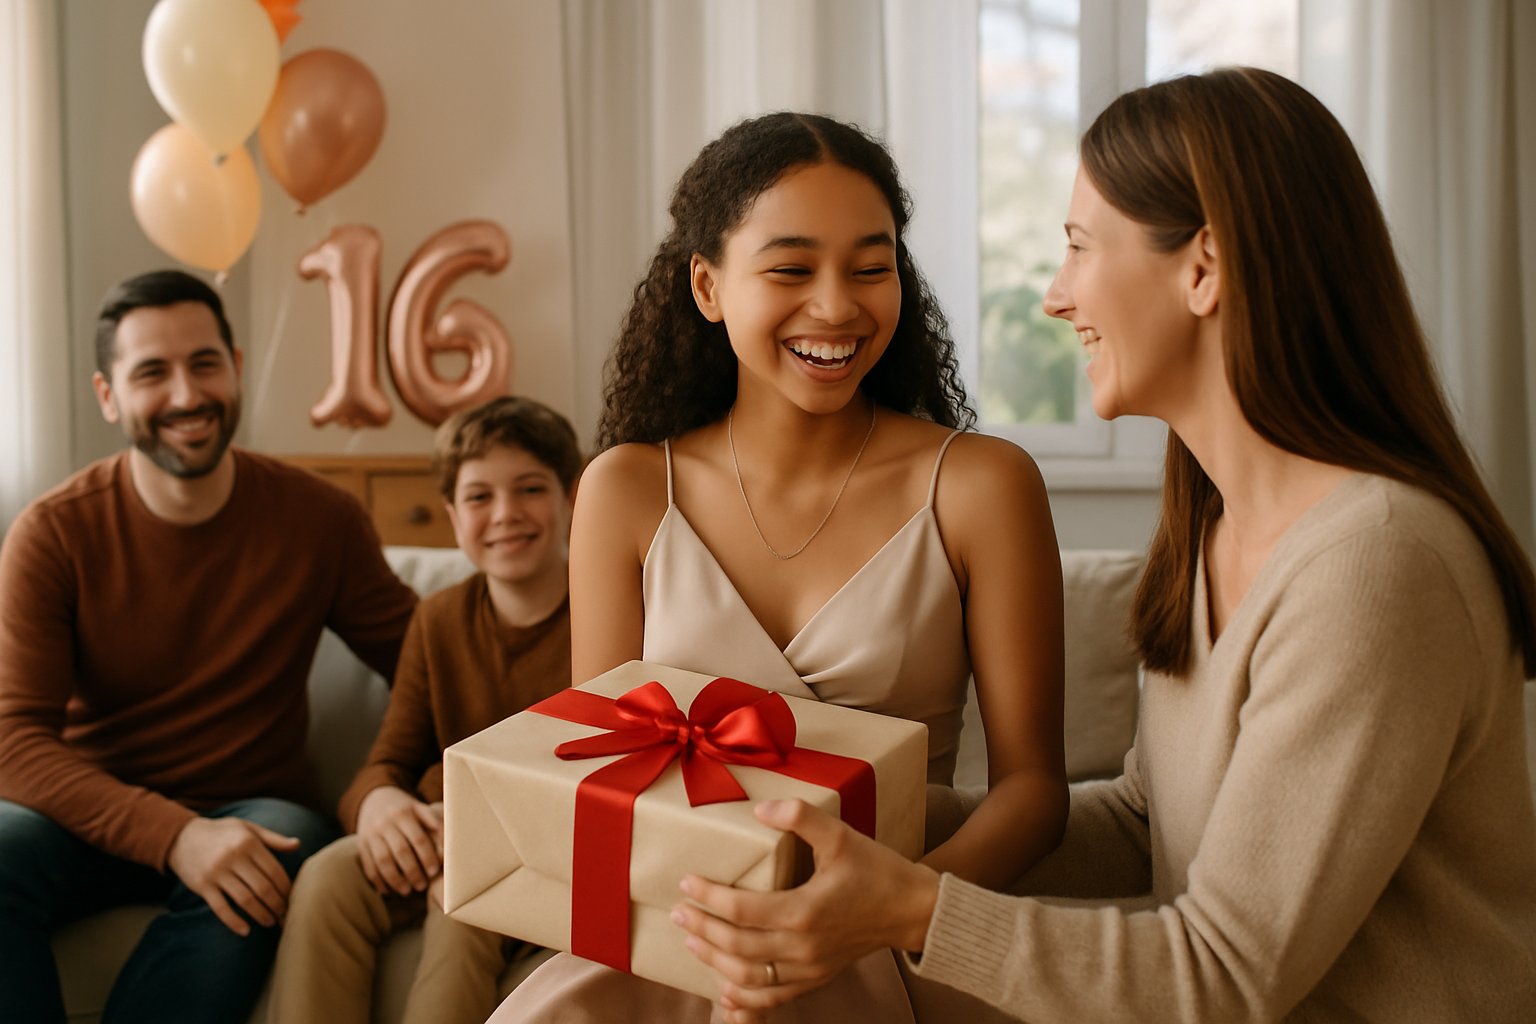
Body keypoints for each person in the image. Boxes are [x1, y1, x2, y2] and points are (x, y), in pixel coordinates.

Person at [667, 68, 1536, 1023]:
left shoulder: (1373, 563)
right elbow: (1142, 825)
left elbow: (1226, 974)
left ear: (1203, 268)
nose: (1055, 296)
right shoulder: (1216, 523)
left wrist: (911, 908)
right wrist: (841, 812)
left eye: (1080, 248)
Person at [489, 112, 1067, 1023]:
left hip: (889, 942)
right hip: (671, 944)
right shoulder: (626, 491)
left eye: (871, 268)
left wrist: (878, 912)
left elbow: (1034, 793)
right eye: (791, 269)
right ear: (709, 287)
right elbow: (604, 776)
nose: (836, 306)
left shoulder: (981, 485)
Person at [0, 269, 420, 1024]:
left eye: (204, 364)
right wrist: (176, 837)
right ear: (108, 396)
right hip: (91, 822)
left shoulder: (318, 520)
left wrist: (388, 782)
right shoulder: (53, 533)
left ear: (236, 365)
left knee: (283, 844)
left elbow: (430, 666)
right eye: (151, 373)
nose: (186, 395)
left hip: (255, 816)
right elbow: (11, 739)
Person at [268, 395, 582, 1024]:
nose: (505, 514)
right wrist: (380, 802)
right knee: (329, 875)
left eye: (529, 489)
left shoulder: (604, 612)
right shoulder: (436, 620)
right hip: (443, 832)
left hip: (548, 847)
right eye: (478, 497)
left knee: (460, 906)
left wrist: (475, 841)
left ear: (571, 498)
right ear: (451, 515)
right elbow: (387, 762)